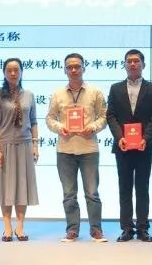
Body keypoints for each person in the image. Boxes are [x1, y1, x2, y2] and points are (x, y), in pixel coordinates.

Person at [46, 52, 108, 242]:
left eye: (77, 66)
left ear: (83, 68)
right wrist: (59, 127)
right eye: (69, 67)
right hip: (65, 150)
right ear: (65, 70)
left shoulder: (95, 92)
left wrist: (93, 127)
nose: (73, 70)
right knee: (69, 194)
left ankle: (96, 230)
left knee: (92, 193)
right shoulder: (57, 94)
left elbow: (104, 117)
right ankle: (72, 230)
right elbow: (50, 118)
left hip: (89, 149)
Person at [107, 49, 152, 242]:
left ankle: (143, 228)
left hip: (144, 146)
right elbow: (111, 115)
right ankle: (127, 228)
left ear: (143, 65)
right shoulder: (115, 88)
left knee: (142, 188)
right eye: (129, 61)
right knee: (124, 188)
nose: (132, 64)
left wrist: (145, 138)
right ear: (124, 65)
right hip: (122, 146)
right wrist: (119, 137)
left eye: (136, 61)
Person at [0, 58, 39, 241]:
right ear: (4, 73)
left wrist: (35, 145)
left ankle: (20, 227)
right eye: (9, 70)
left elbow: (34, 122)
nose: (13, 73)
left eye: (16, 70)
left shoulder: (29, 95)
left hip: (25, 145)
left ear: (21, 72)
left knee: (22, 186)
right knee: (5, 187)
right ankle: (7, 228)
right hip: (5, 146)